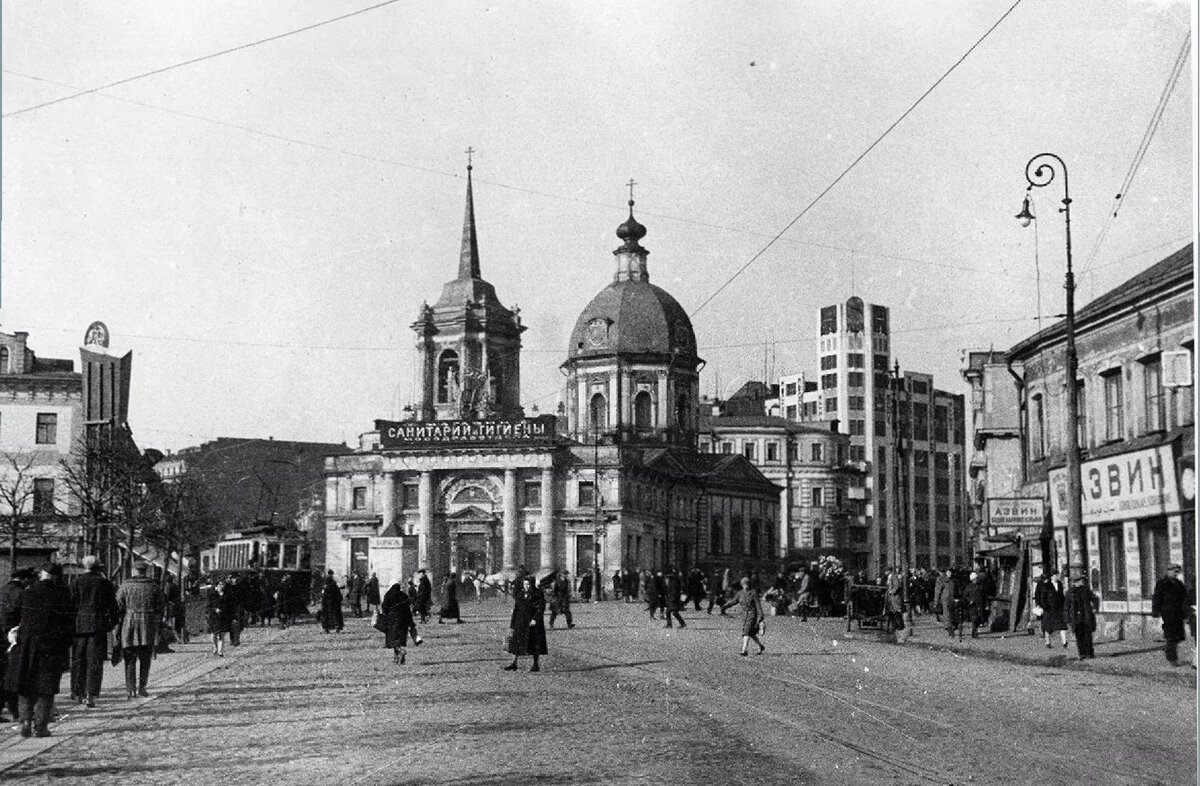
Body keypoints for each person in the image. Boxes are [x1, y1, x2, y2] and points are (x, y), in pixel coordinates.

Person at [5, 563, 73, 738]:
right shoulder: (63, 596)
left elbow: (10, 616)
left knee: (26, 686)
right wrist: (64, 646)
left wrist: (13, 633)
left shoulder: (26, 593)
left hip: (27, 646)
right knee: (46, 688)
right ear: (57, 577)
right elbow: (69, 625)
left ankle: (25, 722)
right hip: (52, 647)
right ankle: (41, 726)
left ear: (42, 575)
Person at [69, 555, 118, 708]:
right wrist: (112, 624)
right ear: (98, 567)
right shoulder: (105, 583)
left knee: (78, 660)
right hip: (98, 625)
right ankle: (91, 694)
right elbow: (113, 607)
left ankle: (78, 692)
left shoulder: (75, 583)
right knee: (95, 661)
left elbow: (70, 606)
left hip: (79, 626)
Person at [115, 561, 165, 699]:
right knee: (145, 658)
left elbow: (118, 606)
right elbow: (161, 606)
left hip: (129, 624)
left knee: (129, 658)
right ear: (145, 571)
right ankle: (142, 687)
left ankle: (130, 689)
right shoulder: (154, 587)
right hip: (147, 624)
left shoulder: (125, 586)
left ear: (134, 571)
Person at [504, 574, 547, 672]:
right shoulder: (520, 594)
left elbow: (541, 608)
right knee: (516, 643)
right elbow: (516, 609)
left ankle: (536, 665)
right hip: (520, 622)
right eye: (524, 584)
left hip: (533, 623)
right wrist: (512, 624)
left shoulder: (537, 594)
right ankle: (514, 663)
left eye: (528, 584)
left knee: (534, 644)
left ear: (532, 584)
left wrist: (535, 619)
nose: (526, 586)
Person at [1152, 564, 1191, 666]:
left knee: (1178, 637)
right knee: (1171, 637)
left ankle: (1170, 652)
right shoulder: (1162, 583)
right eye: (1174, 571)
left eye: (1177, 572)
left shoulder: (1179, 584)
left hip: (1178, 613)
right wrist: (1156, 612)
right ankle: (1172, 659)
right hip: (1168, 613)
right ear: (1168, 571)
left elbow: (1184, 599)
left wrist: (1186, 614)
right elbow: (1157, 598)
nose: (1176, 574)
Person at [722, 577, 766, 656]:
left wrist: (761, 616)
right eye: (744, 584)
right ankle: (760, 646)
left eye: (747, 584)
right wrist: (725, 606)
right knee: (751, 633)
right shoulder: (740, 593)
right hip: (744, 615)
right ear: (742, 585)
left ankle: (744, 650)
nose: (746, 586)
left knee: (746, 631)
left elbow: (758, 605)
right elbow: (734, 601)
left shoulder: (753, 593)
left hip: (752, 615)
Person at [379, 581, 418, 665]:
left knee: (393, 640)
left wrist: (384, 615)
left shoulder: (388, 595)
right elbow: (408, 609)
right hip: (403, 620)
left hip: (392, 620)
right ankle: (397, 658)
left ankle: (400, 652)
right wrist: (410, 622)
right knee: (400, 639)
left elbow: (384, 607)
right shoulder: (404, 595)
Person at [1064, 575, 1099, 659]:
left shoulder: (1086, 590)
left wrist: (1094, 608)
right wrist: (1067, 618)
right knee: (1079, 636)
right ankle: (1082, 653)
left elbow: (1095, 598)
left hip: (1086, 615)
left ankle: (1089, 653)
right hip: (1075, 617)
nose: (1081, 582)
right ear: (1075, 582)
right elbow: (1066, 606)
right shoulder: (1070, 592)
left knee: (1088, 635)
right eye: (1079, 581)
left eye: (1081, 581)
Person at [1035, 568, 1068, 649]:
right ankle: (1048, 642)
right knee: (1048, 626)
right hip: (1049, 609)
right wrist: (1044, 606)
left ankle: (1064, 642)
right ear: (1053, 576)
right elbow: (1042, 597)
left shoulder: (1060, 584)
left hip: (1059, 608)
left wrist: (1064, 605)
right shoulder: (1046, 585)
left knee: (1062, 625)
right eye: (1057, 575)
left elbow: (1062, 596)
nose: (1058, 576)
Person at [206, 580, 234, 656]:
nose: (222, 586)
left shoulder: (227, 596)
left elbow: (231, 606)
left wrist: (231, 616)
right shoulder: (212, 596)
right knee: (214, 634)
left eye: (223, 585)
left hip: (224, 617)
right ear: (216, 586)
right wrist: (215, 609)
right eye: (220, 585)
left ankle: (220, 650)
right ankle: (215, 647)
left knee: (222, 634)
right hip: (214, 617)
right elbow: (208, 607)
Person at [936, 569, 959, 638]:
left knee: (952, 615)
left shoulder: (953, 581)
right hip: (945, 599)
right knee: (947, 615)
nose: (950, 574)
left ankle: (951, 627)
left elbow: (956, 590)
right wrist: (936, 601)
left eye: (951, 572)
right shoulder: (943, 581)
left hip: (952, 599)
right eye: (948, 572)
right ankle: (949, 629)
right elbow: (938, 591)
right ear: (946, 573)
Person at [967, 571, 988, 638]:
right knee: (974, 619)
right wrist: (969, 601)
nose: (976, 580)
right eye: (974, 579)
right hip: (972, 605)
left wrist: (986, 604)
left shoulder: (981, 586)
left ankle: (974, 630)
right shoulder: (968, 587)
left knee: (979, 619)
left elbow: (984, 596)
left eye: (976, 578)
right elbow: (965, 596)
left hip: (980, 605)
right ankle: (975, 632)